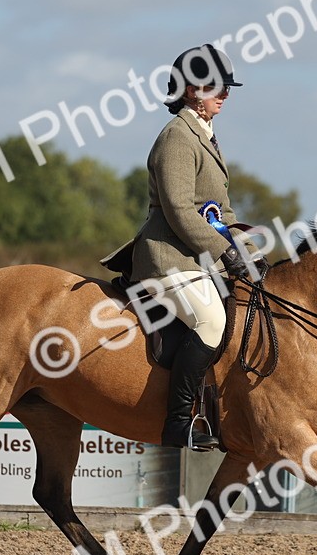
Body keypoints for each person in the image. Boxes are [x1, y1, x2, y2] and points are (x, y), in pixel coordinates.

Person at [101, 44, 257, 450]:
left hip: (196, 258)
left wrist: (248, 251)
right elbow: (179, 211)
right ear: (192, 90)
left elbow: (220, 211)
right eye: (218, 87)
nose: (226, 94)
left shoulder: (205, 136)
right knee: (211, 321)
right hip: (167, 258)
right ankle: (178, 423)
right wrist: (224, 252)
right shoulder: (176, 137)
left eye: (227, 88)